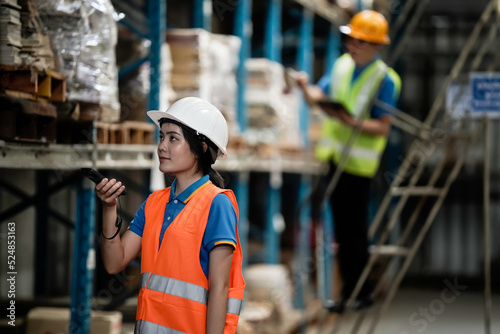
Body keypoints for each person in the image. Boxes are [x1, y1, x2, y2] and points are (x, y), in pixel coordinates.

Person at [95, 97, 245, 333]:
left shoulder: (217, 204)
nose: (162, 146)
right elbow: (115, 263)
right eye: (162, 137)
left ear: (201, 148)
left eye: (173, 138)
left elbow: (220, 287)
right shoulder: (154, 202)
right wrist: (109, 207)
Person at [296, 10, 401, 313]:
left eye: (359, 41)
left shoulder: (385, 79)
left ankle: (362, 293)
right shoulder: (341, 67)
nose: (352, 46)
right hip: (334, 159)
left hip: (359, 166)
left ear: (376, 46)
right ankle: (346, 295)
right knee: (342, 232)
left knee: (355, 233)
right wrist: (305, 87)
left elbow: (383, 126)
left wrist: (351, 121)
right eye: (350, 40)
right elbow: (318, 99)